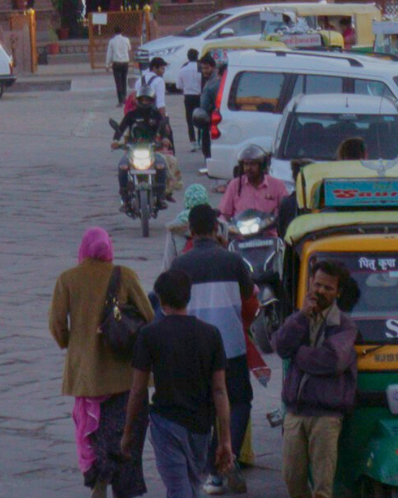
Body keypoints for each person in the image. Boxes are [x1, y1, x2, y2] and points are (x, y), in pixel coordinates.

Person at [50, 227, 154, 494]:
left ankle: (100, 475)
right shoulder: (125, 276)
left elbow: (57, 325)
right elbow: (148, 316)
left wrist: (75, 344)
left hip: (87, 375)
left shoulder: (67, 280)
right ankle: (123, 484)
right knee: (125, 432)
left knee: (93, 429)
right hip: (124, 375)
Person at [123, 270, 233, 498]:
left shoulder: (149, 334)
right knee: (192, 485)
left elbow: (137, 390)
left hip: (166, 423)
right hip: (201, 427)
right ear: (188, 297)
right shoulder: (210, 334)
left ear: (161, 300)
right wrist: (225, 440)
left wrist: (128, 432)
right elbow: (220, 391)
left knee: (179, 488)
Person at [169, 202, 255, 493]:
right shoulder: (233, 261)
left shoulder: (180, 265)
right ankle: (228, 459)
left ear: (191, 230)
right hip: (231, 343)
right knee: (240, 401)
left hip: (195, 348)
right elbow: (249, 296)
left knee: (201, 408)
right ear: (216, 228)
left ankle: (212, 471)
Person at [271, 261, 358, 498]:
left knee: (322, 486)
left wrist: (297, 353)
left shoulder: (345, 326)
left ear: (338, 292)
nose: (320, 291)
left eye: (328, 288)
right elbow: (280, 346)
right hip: (295, 412)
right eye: (317, 285)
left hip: (326, 416)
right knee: (291, 477)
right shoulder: (299, 318)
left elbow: (331, 361)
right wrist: (301, 317)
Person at [217, 147, 286, 226]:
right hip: (240, 235)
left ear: (261, 165)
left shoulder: (277, 185)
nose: (248, 168)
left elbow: (285, 211)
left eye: (253, 164)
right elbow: (225, 213)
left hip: (269, 234)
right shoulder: (234, 185)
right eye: (246, 164)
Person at [180, 52, 203, 156]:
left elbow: (178, 85)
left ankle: (192, 142)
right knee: (200, 119)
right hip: (199, 96)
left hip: (188, 96)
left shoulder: (183, 69)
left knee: (189, 120)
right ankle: (200, 141)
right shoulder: (200, 68)